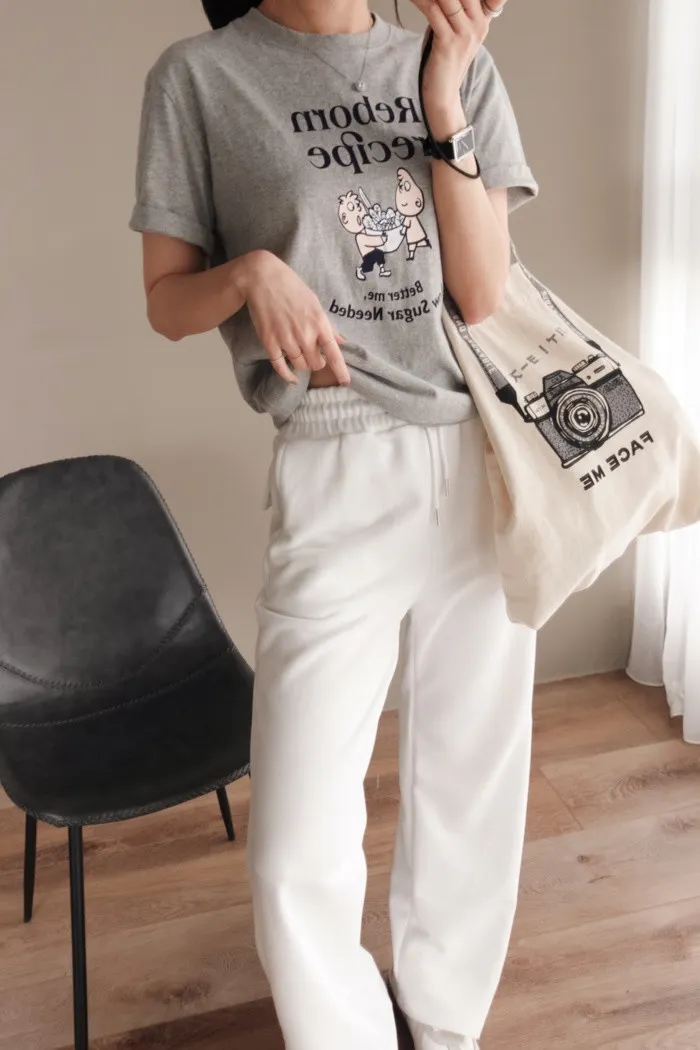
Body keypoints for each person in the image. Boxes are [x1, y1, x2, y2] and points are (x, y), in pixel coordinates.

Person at [130, 2, 539, 1047]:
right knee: (296, 842)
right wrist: (248, 273)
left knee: (470, 780)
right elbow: (167, 302)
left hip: (479, 454)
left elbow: (481, 293)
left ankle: (445, 1028)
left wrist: (443, 94)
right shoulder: (200, 78)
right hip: (335, 458)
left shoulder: (453, 62)